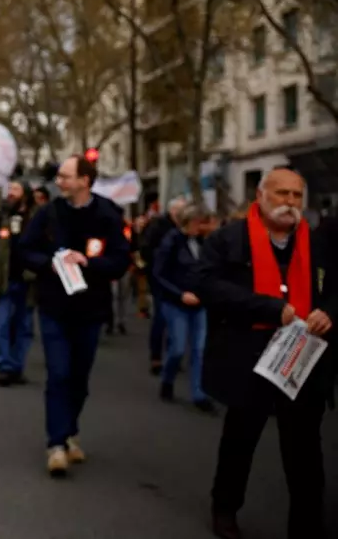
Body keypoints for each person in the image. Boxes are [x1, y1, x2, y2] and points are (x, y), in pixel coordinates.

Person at [194, 167, 334, 539]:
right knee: (240, 439)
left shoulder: (318, 243)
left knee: (305, 448)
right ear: (260, 196)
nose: (289, 203)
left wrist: (329, 312)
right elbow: (206, 284)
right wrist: (267, 308)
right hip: (248, 358)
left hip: (304, 360)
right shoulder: (227, 240)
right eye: (282, 194)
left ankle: (307, 524)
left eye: (296, 196)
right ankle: (224, 508)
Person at [19, 155, 130, 477]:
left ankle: (69, 431)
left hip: (91, 310)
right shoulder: (47, 213)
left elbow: (121, 260)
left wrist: (89, 263)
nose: (59, 181)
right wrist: (49, 263)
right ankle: (56, 444)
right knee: (59, 373)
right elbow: (25, 250)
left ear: (84, 180)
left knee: (79, 377)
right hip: (54, 307)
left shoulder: (108, 213)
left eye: (66, 176)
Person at [152, 203, 216, 413]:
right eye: (199, 222)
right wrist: (180, 294)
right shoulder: (171, 241)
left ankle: (199, 393)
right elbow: (159, 274)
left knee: (199, 349)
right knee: (178, 348)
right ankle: (167, 380)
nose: (202, 227)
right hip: (175, 303)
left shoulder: (202, 243)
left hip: (200, 303)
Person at [0, 181, 36, 386]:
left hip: (28, 282)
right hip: (3, 282)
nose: (11, 194)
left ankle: (17, 367)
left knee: (24, 326)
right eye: (9, 190)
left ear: (25, 195)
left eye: (16, 190)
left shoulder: (35, 219)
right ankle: (4, 367)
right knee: (2, 324)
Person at [141, 197, 187, 374]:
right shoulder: (158, 226)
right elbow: (146, 250)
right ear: (173, 211)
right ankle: (156, 358)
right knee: (161, 318)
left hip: (178, 281)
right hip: (160, 280)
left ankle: (172, 356)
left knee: (175, 320)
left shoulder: (183, 228)